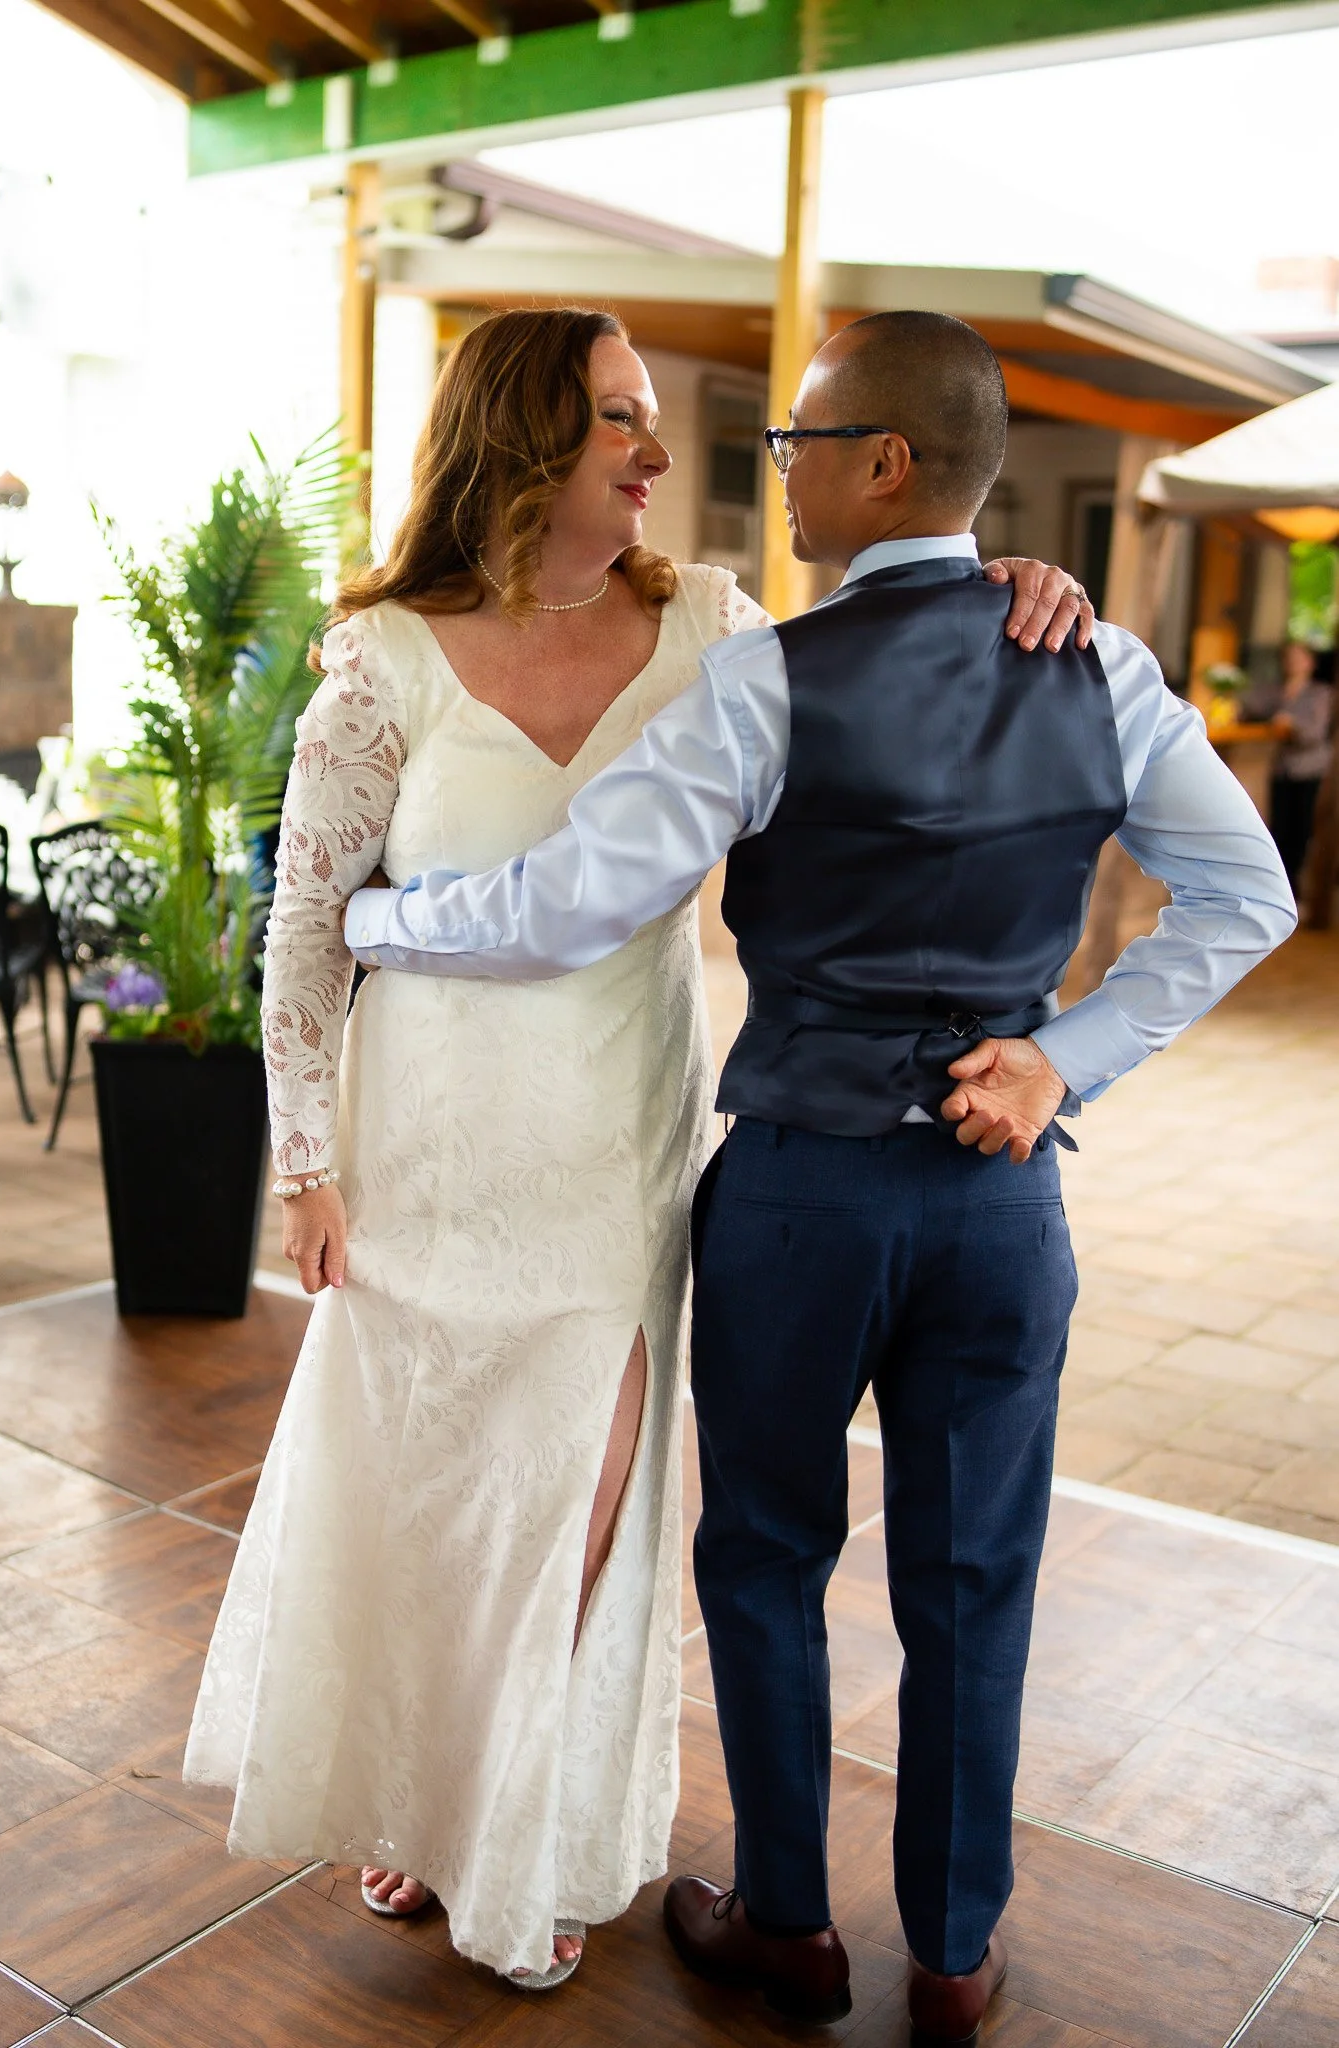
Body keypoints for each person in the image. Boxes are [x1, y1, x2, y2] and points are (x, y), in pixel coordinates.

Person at [342, 311, 1296, 2039]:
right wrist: (1059, 1052)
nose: (774, 469)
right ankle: (954, 1948)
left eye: (799, 440)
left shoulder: (767, 677)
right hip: (1003, 1201)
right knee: (975, 1575)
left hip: (799, 1193)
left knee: (768, 1557)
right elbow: (1251, 898)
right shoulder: (1101, 664)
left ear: (884, 464)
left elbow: (568, 902)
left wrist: (379, 916)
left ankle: (788, 1921)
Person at [182, 304, 1090, 1991]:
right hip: (424, 1149)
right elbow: (306, 929)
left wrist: (1031, 592)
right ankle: (426, 1788)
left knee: (582, 1504)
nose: (660, 452)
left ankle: (515, 1831)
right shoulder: (380, 659)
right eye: (621, 416)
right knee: (436, 1488)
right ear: (526, 438)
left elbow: (908, 684)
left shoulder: (722, 634)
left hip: (615, 1146)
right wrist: (305, 1162)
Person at [1269, 639, 1334, 890]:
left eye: (1299, 657)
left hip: (1309, 770)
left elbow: (1314, 734)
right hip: (1283, 769)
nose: (1293, 662)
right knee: (1279, 830)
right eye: (1289, 657)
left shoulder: (1321, 693)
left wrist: (1291, 724)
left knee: (1301, 831)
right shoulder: (1278, 691)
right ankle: (1279, 887)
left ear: (1311, 662)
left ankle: (1295, 890)